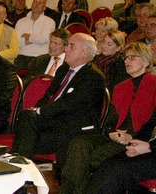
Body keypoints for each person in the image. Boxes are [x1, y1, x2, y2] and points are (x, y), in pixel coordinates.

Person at [61, 42, 156, 194]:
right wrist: (111, 132)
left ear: (145, 61)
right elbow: (110, 120)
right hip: (116, 135)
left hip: (137, 138)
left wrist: (131, 136)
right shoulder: (121, 87)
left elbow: (151, 123)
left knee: (85, 159)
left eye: (132, 58)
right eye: (126, 58)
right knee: (79, 143)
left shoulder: (154, 84)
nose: (126, 61)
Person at [12, 33, 106, 170]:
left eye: (71, 46)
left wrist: (38, 111)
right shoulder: (63, 69)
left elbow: (70, 104)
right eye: (67, 45)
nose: (66, 49)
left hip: (73, 127)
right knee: (27, 118)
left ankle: (20, 167)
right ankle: (22, 166)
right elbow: (48, 96)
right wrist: (37, 108)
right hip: (53, 121)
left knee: (27, 125)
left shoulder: (93, 76)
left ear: (85, 52)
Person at [86, 110, 156, 194]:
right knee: (109, 163)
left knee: (117, 169)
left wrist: (149, 146)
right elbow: (150, 125)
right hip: (149, 148)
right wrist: (136, 142)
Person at [14, 0, 56, 70]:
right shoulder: (21, 21)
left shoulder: (50, 22)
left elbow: (45, 39)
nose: (36, 4)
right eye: (35, 2)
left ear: (44, 7)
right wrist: (36, 38)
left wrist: (28, 37)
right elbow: (17, 41)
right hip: (22, 56)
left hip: (40, 57)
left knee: (32, 76)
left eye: (40, 3)